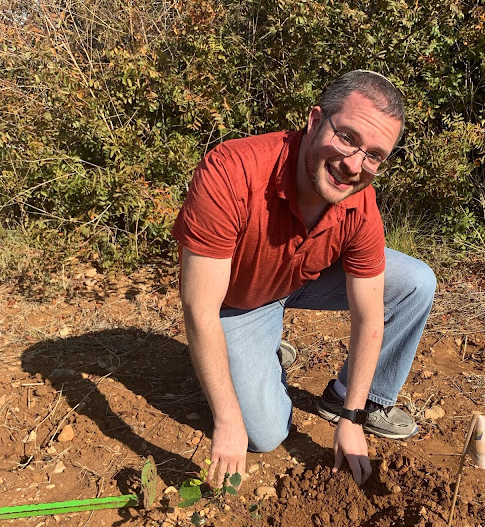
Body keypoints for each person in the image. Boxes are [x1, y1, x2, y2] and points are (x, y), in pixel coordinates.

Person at [171, 70, 436, 488]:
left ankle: (357, 397)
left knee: (415, 282)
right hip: (239, 303)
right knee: (264, 434)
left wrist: (351, 416)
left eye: (373, 155)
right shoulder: (232, 171)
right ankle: (256, 350)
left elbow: (369, 317)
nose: (354, 165)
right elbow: (198, 307)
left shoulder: (359, 202)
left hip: (302, 277)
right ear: (314, 121)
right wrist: (227, 420)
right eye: (347, 137)